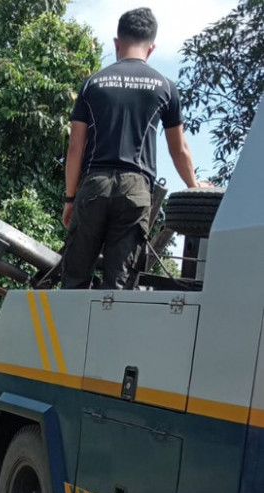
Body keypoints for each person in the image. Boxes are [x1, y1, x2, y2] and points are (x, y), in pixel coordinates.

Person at [61, 7, 208, 289]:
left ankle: (69, 332)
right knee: (118, 285)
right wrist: (194, 184)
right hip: (136, 189)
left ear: (117, 43)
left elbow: (75, 147)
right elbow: (179, 149)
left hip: (94, 185)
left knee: (75, 279)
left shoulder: (92, 84)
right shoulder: (165, 87)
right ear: (151, 48)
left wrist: (70, 199)